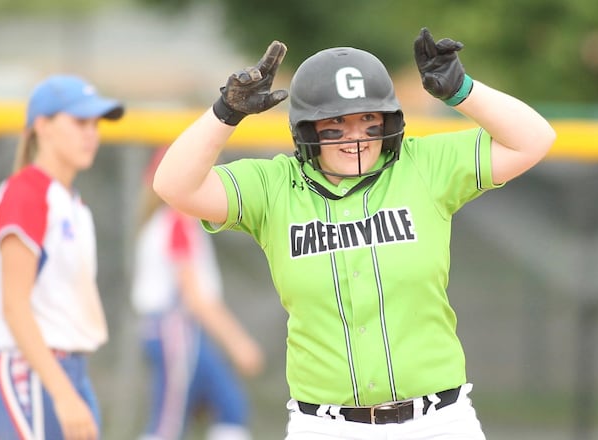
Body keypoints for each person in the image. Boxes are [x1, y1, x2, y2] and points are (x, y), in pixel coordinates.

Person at [152, 27, 556, 439]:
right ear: (308, 130)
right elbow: (173, 185)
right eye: (336, 124)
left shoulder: (423, 166)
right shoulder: (274, 186)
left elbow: (534, 140)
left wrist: (461, 91)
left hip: (438, 421)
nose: (356, 138)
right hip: (326, 426)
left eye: (369, 120)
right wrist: (226, 112)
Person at [0, 74, 124, 440]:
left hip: (70, 370)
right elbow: (14, 306)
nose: (92, 133)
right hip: (29, 370)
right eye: (79, 122)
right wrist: (62, 393)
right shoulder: (27, 192)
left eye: (95, 124)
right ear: (42, 126)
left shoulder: (70, 201)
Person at [131, 149, 265, 440]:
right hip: (174, 328)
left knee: (230, 407)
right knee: (167, 423)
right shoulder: (175, 221)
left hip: (184, 331)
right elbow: (194, 296)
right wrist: (237, 342)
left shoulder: (173, 221)